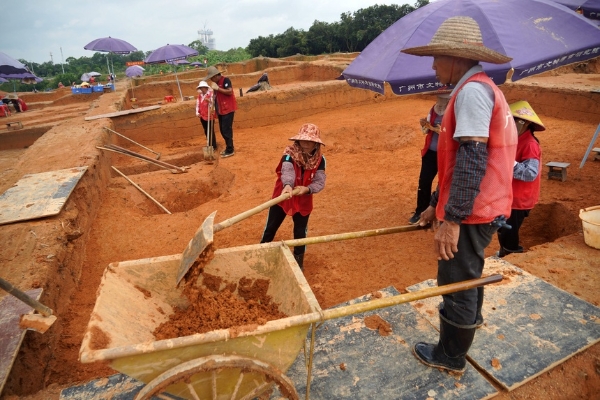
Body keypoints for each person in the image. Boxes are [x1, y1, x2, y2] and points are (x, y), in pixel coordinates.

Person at [401, 16, 517, 374]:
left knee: (456, 281)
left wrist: (451, 219)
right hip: (484, 204)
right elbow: (455, 164)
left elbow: (471, 158)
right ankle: (468, 326)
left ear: (455, 59)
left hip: (474, 209)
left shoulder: (469, 94)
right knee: (469, 272)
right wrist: (436, 204)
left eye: (437, 58)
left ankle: (451, 355)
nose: (434, 66)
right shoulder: (480, 89)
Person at [260, 123, 327, 269]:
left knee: (300, 232)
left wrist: (307, 189)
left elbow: (320, 181)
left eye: (310, 141)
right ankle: (260, 254)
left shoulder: (320, 160)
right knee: (271, 227)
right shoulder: (289, 154)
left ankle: (298, 262)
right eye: (303, 140)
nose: (306, 144)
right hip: (283, 195)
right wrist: (288, 185)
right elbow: (287, 170)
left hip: (303, 199)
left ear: (316, 143)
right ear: (298, 140)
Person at [496, 100, 544, 257]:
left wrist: (509, 162)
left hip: (520, 198)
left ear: (523, 123)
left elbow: (530, 173)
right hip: (509, 195)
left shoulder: (530, 144)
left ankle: (512, 254)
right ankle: (506, 252)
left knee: (509, 230)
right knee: (501, 227)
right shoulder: (514, 140)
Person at [409, 89, 451, 225]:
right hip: (431, 152)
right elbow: (426, 129)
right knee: (424, 182)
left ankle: (442, 214)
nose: (441, 101)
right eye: (439, 98)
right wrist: (425, 125)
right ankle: (420, 211)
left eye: (444, 99)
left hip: (446, 154)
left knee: (445, 184)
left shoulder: (454, 112)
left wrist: (443, 131)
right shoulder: (433, 109)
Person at [205, 66, 238, 158]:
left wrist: (218, 89)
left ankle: (230, 149)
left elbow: (230, 92)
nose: (211, 80)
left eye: (211, 78)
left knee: (226, 130)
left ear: (215, 76)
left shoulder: (225, 80)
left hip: (227, 109)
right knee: (222, 130)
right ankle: (228, 147)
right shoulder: (216, 84)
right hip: (220, 110)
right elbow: (216, 97)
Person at [195, 80, 217, 149]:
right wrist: (197, 113)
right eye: (201, 88)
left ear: (206, 87)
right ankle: (209, 144)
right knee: (206, 130)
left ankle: (213, 145)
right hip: (202, 116)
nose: (202, 89)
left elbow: (213, 105)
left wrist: (209, 101)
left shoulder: (211, 94)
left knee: (210, 130)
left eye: (203, 87)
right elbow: (197, 105)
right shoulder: (200, 96)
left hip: (209, 115)